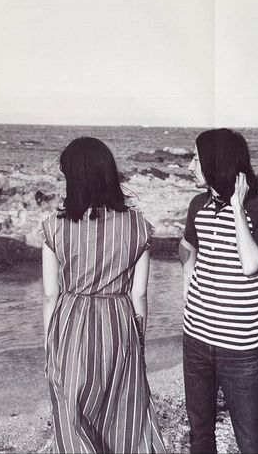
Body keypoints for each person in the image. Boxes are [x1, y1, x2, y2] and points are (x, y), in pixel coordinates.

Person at [41, 137, 166, 453]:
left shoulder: (54, 226)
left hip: (71, 325)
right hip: (119, 324)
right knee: (125, 414)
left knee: (71, 415)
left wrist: (49, 342)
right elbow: (140, 296)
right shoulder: (137, 225)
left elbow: (48, 295)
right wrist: (138, 342)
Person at [178, 128, 258, 453]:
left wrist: (237, 209)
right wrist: (188, 284)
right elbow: (186, 247)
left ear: (214, 161)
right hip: (195, 338)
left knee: (250, 441)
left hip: (240, 348)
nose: (189, 166)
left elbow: (251, 264)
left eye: (195, 158)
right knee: (200, 434)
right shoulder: (198, 205)